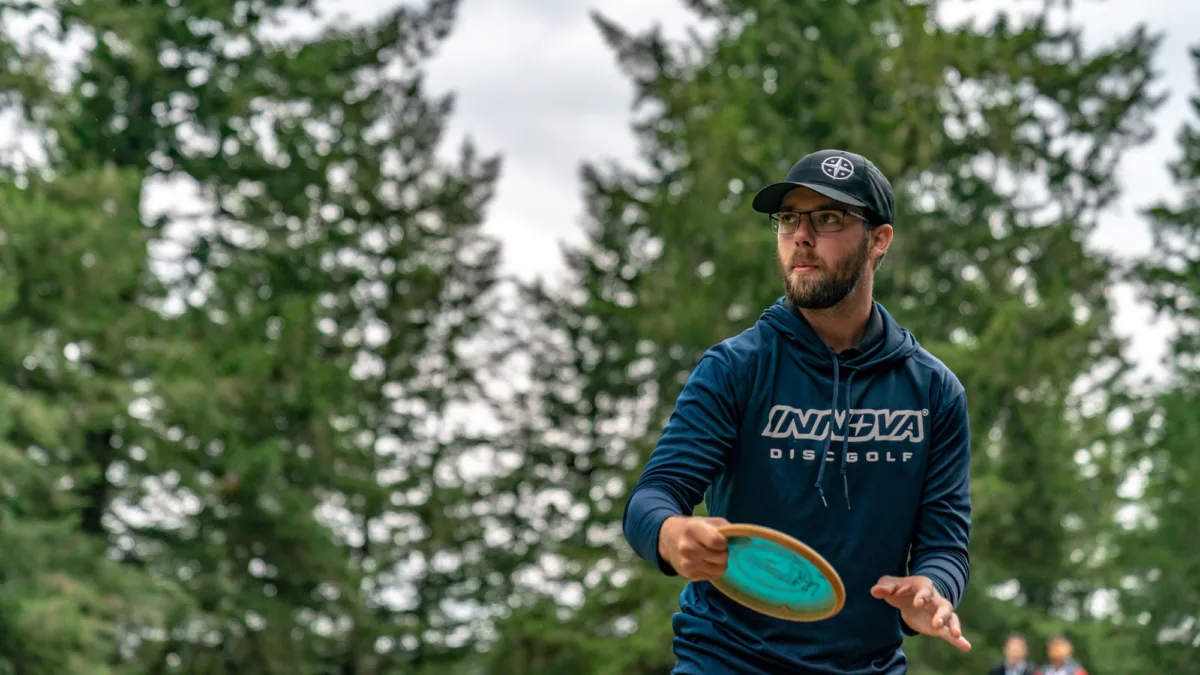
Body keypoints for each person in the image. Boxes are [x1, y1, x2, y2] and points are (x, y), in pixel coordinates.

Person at [622, 149, 973, 675]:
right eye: (789, 219)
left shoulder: (933, 391)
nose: (801, 236)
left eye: (828, 218)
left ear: (879, 240)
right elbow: (651, 498)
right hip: (726, 660)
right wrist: (670, 535)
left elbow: (945, 544)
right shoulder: (735, 367)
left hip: (868, 667)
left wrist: (932, 589)